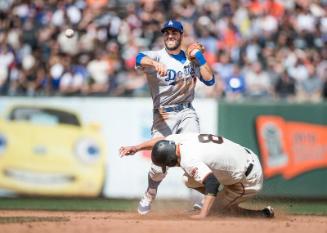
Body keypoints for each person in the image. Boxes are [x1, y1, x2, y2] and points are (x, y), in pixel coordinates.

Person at [134, 19, 215, 215]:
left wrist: (200, 57)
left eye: (174, 33)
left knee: (194, 154)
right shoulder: (156, 56)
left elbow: (210, 80)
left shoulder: (190, 58)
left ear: (181, 36)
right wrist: (154, 63)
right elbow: (137, 58)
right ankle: (149, 194)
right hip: (164, 114)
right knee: (159, 164)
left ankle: (198, 200)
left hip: (187, 112)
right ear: (164, 36)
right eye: (167, 33)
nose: (170, 36)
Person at [119, 133, 274, 219]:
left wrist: (203, 214)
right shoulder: (178, 141)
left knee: (217, 211)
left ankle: (261, 214)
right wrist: (137, 148)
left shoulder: (188, 159)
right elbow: (162, 140)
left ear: (171, 160)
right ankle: (215, 200)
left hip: (248, 179)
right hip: (244, 157)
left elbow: (212, 182)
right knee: (189, 180)